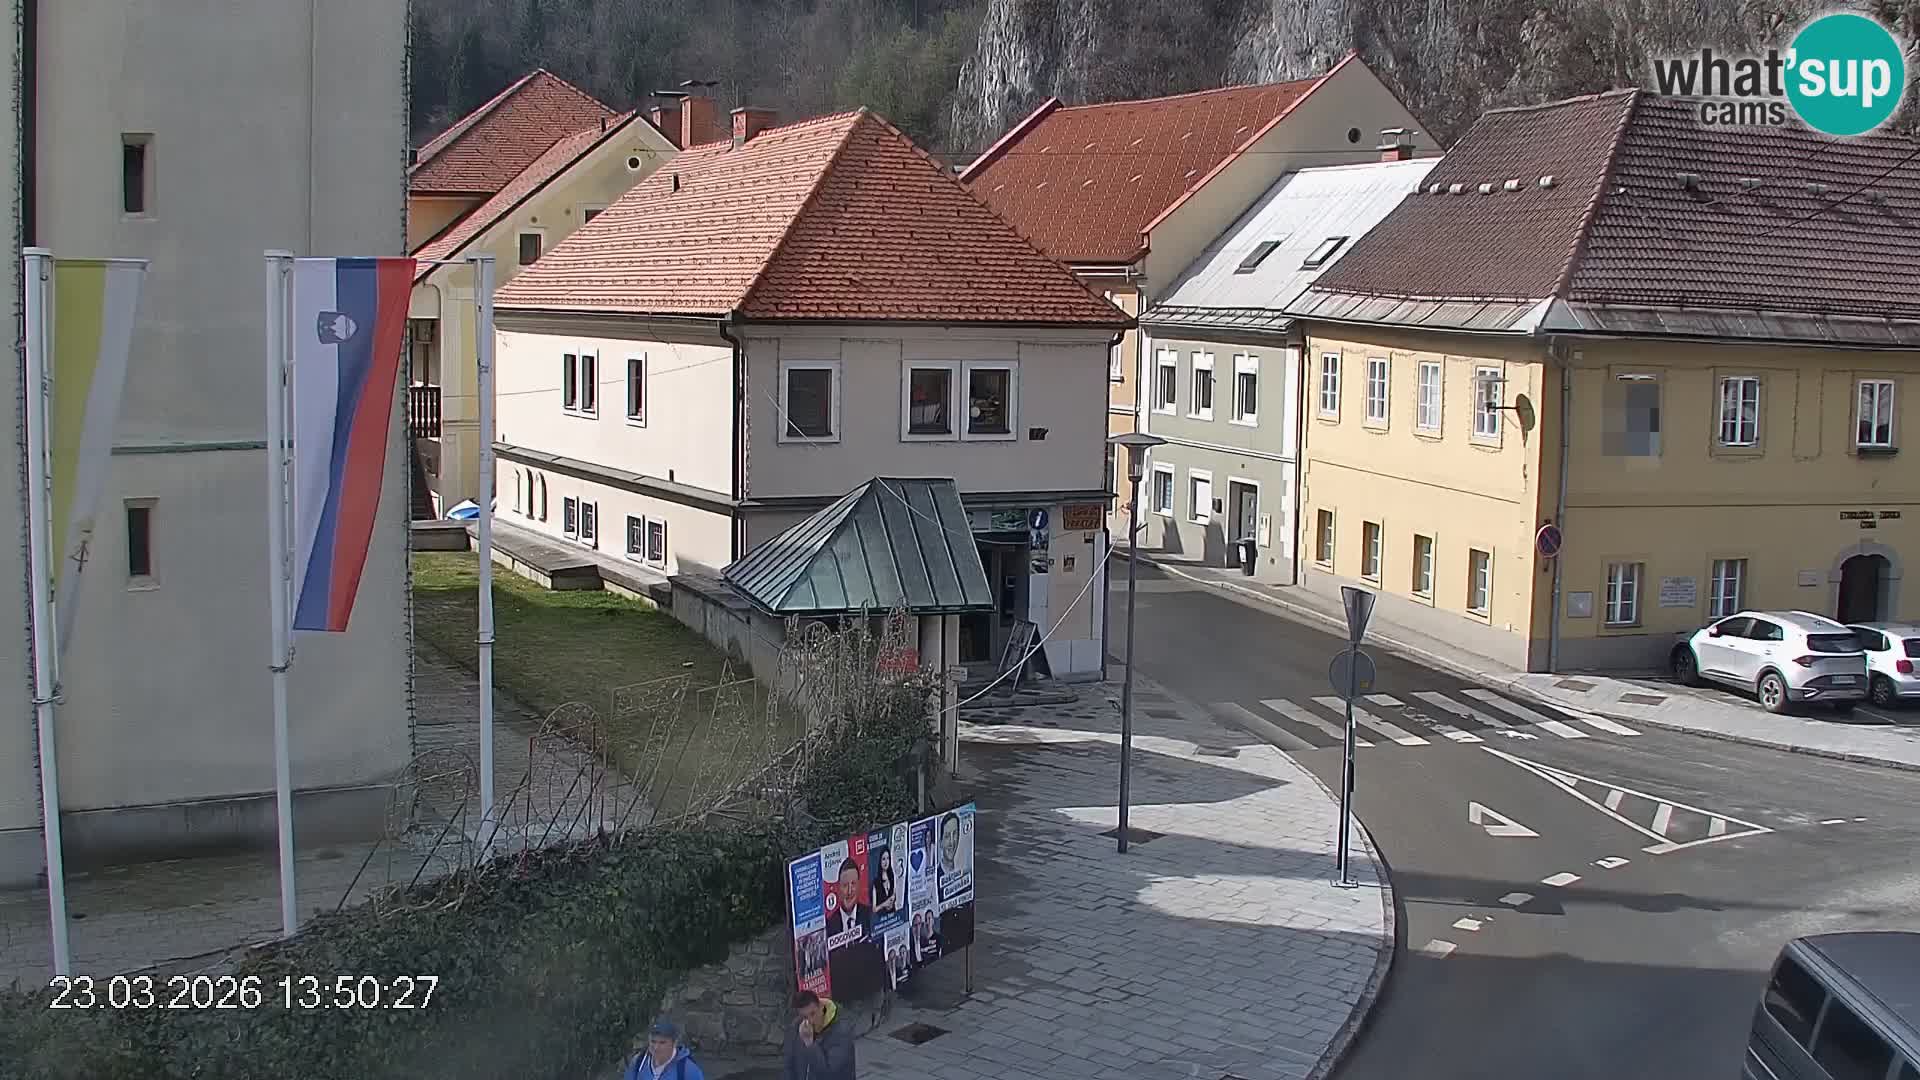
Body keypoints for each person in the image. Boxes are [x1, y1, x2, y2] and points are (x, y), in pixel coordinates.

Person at [784, 989, 855, 1080]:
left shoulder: (841, 1032)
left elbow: (829, 1074)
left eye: (813, 1013)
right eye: (805, 1017)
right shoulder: (797, 1027)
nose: (811, 1021)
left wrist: (810, 1045)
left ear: (821, 1007)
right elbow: (789, 1065)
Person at [625, 1019, 704, 1080]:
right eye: (653, 1041)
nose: (656, 1047)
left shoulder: (688, 1070)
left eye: (662, 1043)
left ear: (674, 1043)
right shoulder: (638, 1062)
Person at [823, 858, 872, 939]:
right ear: (838, 888)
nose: (849, 891)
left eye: (853, 884)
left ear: (859, 885)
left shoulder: (870, 915)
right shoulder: (829, 925)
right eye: (845, 885)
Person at [869, 848, 897, 915]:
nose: (886, 862)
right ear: (880, 861)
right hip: (882, 917)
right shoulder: (876, 883)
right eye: (883, 859)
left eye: (888, 858)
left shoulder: (892, 877)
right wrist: (885, 904)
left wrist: (893, 899)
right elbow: (874, 909)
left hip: (893, 915)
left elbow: (894, 894)